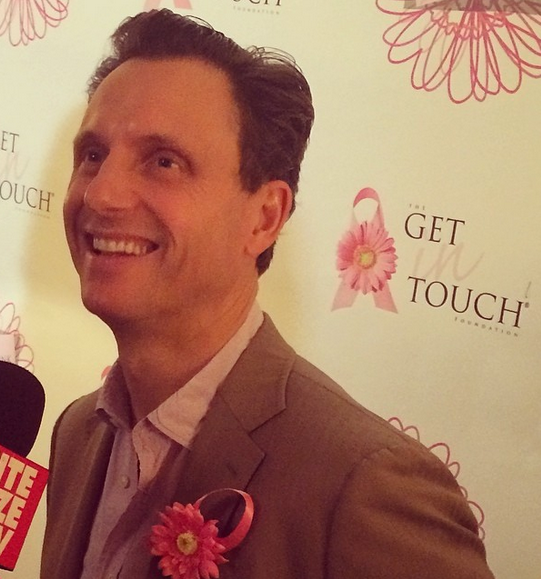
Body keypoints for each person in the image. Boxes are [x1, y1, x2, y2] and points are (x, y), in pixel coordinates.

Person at [41, 9, 495, 579]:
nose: (101, 194)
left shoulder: (366, 487)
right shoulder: (78, 433)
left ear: (264, 217)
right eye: (93, 155)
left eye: (164, 162)